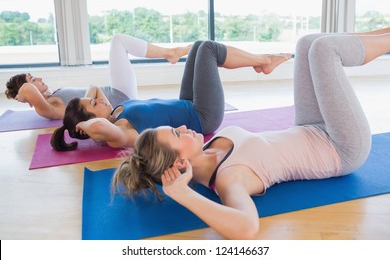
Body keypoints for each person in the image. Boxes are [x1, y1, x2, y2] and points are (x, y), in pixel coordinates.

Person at [111, 27, 390, 240]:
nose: (183, 127)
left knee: (306, 44)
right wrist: (181, 193)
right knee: (324, 50)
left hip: (310, 126)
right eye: (176, 132)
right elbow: (246, 227)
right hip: (341, 147)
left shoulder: (207, 147)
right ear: (177, 163)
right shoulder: (230, 179)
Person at [51, 39, 291, 151]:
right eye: (94, 104)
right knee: (209, 49)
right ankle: (265, 61)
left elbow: (94, 87)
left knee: (198, 46)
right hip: (202, 116)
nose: (100, 97)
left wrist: (88, 103)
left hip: (186, 102)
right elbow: (99, 127)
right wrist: (81, 124)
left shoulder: (116, 110)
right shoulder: (120, 133)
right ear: (92, 122)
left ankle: (264, 60)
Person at [4, 34, 191, 120]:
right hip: (120, 97)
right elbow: (28, 91)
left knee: (119, 41)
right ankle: (171, 53)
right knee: (119, 40)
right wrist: (22, 95)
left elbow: (29, 89)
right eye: (32, 79)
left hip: (116, 93)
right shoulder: (47, 108)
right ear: (27, 92)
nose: (39, 79)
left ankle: (171, 53)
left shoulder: (53, 97)